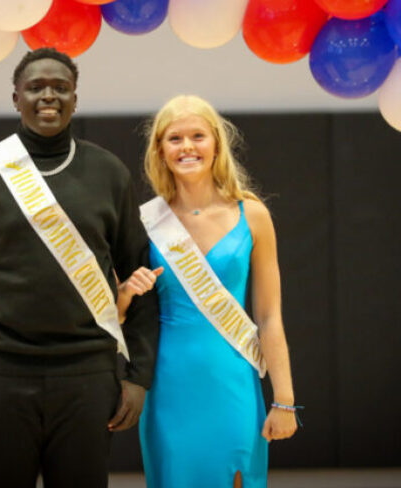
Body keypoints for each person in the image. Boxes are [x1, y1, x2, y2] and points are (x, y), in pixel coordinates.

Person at [0, 47, 160, 488]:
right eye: (35, 87)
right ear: (16, 98)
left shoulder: (108, 173)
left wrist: (138, 377)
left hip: (87, 377)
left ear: (76, 97)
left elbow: (143, 279)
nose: (48, 96)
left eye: (60, 87)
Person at [118, 95, 298, 488]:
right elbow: (116, 316)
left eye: (197, 136)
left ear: (216, 143)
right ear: (160, 151)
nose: (187, 147)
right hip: (168, 383)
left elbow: (269, 317)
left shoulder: (253, 215)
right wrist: (126, 293)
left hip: (232, 376)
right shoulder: (144, 222)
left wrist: (284, 398)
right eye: (174, 138)